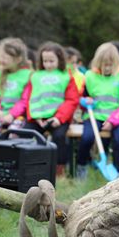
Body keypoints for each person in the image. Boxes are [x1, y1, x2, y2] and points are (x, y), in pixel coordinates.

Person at [76, 42, 119, 178]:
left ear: (116, 63)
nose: (107, 68)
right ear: (98, 62)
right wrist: (85, 101)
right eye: (104, 64)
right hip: (94, 115)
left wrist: (113, 121)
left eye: (110, 64)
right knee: (87, 138)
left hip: (116, 117)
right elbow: (81, 98)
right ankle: (81, 166)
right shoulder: (89, 76)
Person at [24, 42, 79, 177]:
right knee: (26, 134)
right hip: (38, 118)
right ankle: (30, 166)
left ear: (59, 60)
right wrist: (35, 117)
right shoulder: (35, 76)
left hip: (58, 118)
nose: (48, 64)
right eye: (45, 61)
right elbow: (30, 98)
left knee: (59, 137)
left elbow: (72, 100)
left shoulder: (66, 76)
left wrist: (59, 118)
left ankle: (59, 170)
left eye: (51, 61)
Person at [0, 37, 32, 131]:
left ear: (18, 59)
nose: (2, 60)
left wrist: (11, 115)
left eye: (6, 58)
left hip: (18, 117)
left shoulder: (27, 76)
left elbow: (24, 101)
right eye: (1, 56)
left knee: (13, 134)